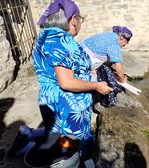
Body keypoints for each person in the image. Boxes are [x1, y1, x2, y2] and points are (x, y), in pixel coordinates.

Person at [8, 0, 112, 166]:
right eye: (80, 19)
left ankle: (31, 136)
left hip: (49, 98)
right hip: (68, 104)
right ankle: (79, 162)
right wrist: (97, 85)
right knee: (72, 144)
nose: (80, 24)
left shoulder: (46, 36)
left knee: (56, 135)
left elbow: (56, 69)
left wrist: (84, 71)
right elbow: (66, 82)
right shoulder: (63, 42)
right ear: (73, 20)